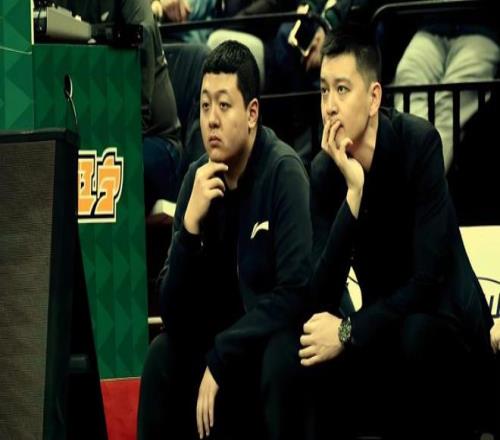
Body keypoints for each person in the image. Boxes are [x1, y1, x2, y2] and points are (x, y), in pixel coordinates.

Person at [303, 29, 495, 439]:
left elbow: (427, 283)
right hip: (382, 329)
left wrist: (347, 331)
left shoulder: (419, 144)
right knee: (310, 352)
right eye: (323, 91)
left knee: (412, 337)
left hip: (447, 327)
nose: (330, 105)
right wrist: (353, 195)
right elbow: (320, 295)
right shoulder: (324, 171)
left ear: (374, 98)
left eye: (342, 89)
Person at [137, 40, 312, 440]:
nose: (211, 120)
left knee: (279, 358)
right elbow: (173, 312)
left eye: (224, 105)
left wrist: (222, 355)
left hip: (264, 342)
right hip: (215, 340)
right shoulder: (197, 179)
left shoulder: (284, 172)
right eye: (204, 106)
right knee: (161, 356)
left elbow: (295, 292)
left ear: (252, 113)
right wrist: (189, 230)